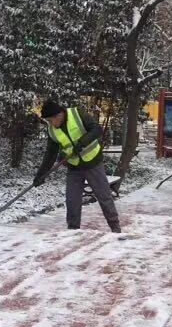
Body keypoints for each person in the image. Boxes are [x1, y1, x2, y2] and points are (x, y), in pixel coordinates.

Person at [33, 99, 121, 233]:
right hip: (74, 166)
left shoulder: (77, 114)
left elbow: (97, 129)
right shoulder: (52, 130)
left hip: (93, 162)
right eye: (48, 121)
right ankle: (73, 230)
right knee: (72, 200)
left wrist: (82, 142)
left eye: (51, 120)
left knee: (104, 196)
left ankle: (115, 228)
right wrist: (41, 174)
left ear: (59, 115)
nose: (50, 124)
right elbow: (50, 154)